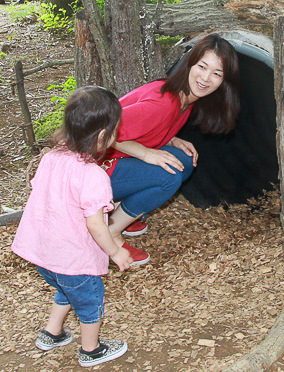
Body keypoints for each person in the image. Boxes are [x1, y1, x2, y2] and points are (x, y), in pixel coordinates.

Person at [12, 86, 132, 368]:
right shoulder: (93, 176)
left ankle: (52, 333)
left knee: (67, 289)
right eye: (115, 129)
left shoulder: (51, 158)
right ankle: (91, 350)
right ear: (102, 136)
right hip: (74, 259)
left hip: (44, 256)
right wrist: (116, 252)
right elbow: (96, 225)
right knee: (90, 301)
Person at [102, 34, 240, 265]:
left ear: (225, 81)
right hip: (90, 170)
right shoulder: (163, 103)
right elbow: (102, 132)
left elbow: (144, 127)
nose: (206, 78)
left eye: (217, 74)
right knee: (168, 175)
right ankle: (111, 232)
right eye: (202, 67)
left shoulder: (184, 99)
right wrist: (147, 153)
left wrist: (171, 139)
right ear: (189, 63)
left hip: (112, 163)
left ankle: (121, 211)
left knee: (182, 160)